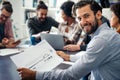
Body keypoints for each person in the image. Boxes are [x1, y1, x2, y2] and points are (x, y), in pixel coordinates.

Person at [17, 1, 120, 80]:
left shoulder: (101, 40)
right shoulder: (105, 34)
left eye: (86, 16)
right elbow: (91, 56)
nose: (83, 22)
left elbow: (70, 75)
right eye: (79, 18)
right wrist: (69, 57)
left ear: (98, 14)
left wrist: (34, 75)